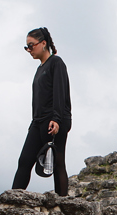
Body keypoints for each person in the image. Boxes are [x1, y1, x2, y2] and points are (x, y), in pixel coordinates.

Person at [12, 26, 72, 196]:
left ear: (43, 43)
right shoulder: (39, 69)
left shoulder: (56, 63)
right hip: (38, 122)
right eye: (26, 47)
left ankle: (63, 204)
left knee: (58, 162)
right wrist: (33, 122)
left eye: (31, 45)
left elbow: (60, 93)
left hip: (54, 120)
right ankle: (12, 201)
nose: (28, 50)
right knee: (24, 160)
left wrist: (57, 119)